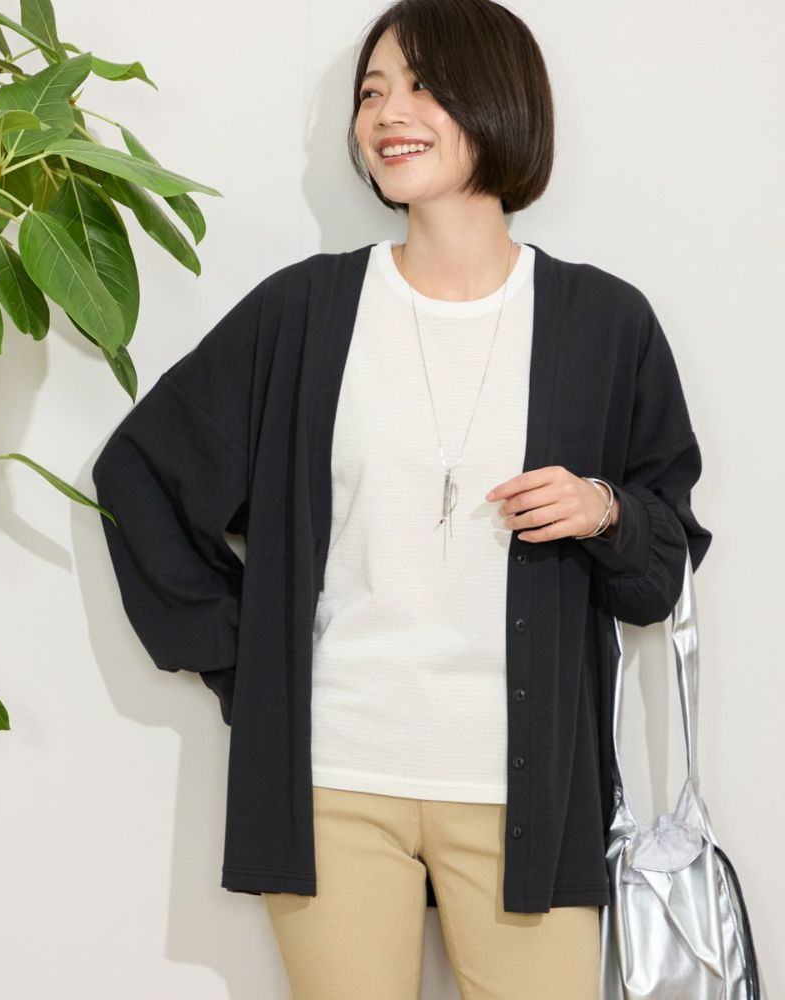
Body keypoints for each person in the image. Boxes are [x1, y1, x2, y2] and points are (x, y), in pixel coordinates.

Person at [91, 1, 712, 998]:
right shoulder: (304, 311)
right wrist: (248, 658)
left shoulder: (603, 323)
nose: (388, 114)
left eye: (422, 86)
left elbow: (660, 571)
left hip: (526, 796)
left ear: (499, 101)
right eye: (372, 91)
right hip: (333, 783)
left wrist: (605, 510)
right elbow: (141, 473)